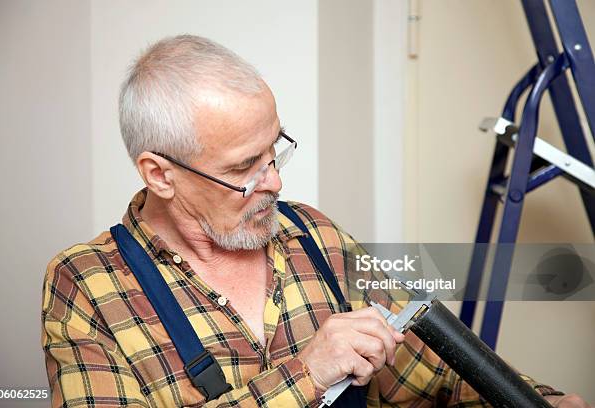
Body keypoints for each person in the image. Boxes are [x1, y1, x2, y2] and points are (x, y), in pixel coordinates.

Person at [41, 35, 590, 408]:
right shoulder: (85, 285)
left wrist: (537, 398)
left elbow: (436, 373)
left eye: (274, 152)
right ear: (159, 175)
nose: (275, 182)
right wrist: (306, 374)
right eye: (243, 169)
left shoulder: (315, 237)